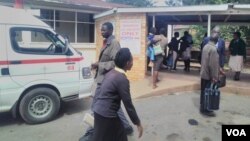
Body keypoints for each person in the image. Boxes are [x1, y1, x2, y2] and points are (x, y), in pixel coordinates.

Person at [80, 22, 133, 141]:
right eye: (101, 30)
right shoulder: (106, 42)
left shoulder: (114, 43)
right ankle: (127, 126)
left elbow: (116, 62)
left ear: (111, 30)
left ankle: (91, 132)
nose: (101, 32)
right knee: (113, 106)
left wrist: (99, 64)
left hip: (106, 79)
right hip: (102, 78)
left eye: (104, 30)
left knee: (96, 106)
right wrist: (97, 66)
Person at [92, 48, 143, 141]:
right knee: (121, 136)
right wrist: (138, 123)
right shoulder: (122, 79)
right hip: (107, 115)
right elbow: (128, 105)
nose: (132, 63)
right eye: (132, 60)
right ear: (127, 63)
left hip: (98, 111)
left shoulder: (111, 72)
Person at [200, 30, 222, 116]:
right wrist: (214, 77)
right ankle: (206, 109)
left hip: (203, 73)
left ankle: (203, 107)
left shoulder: (205, 46)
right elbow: (212, 65)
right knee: (208, 92)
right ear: (217, 40)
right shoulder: (213, 49)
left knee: (203, 91)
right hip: (209, 74)